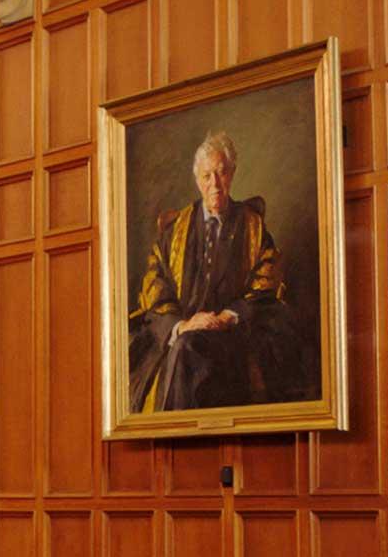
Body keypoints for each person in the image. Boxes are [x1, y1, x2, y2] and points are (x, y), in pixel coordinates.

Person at [128, 131, 307, 412]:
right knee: (184, 347)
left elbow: (266, 282)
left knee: (192, 350)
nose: (215, 185)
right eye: (207, 176)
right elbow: (155, 286)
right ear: (197, 181)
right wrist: (183, 325)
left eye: (222, 174)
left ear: (232, 174)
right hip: (184, 329)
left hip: (234, 333)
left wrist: (227, 316)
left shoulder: (252, 226)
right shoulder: (174, 231)